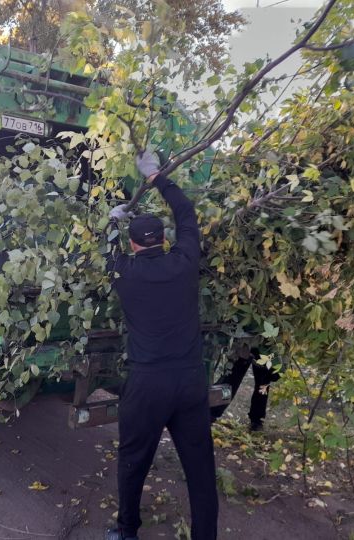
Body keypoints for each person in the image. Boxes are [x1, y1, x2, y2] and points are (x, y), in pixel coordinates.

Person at [104, 151, 218, 540]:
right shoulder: (185, 261)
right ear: (165, 240)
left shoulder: (125, 272)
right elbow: (186, 213)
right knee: (200, 468)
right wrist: (156, 176)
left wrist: (110, 224)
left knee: (133, 461)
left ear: (133, 245)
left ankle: (127, 532)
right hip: (189, 382)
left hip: (147, 384)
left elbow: (107, 255)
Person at [210, 341, 280, 431]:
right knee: (232, 377)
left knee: (263, 381)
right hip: (246, 338)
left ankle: (257, 420)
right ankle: (213, 412)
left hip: (266, 342)